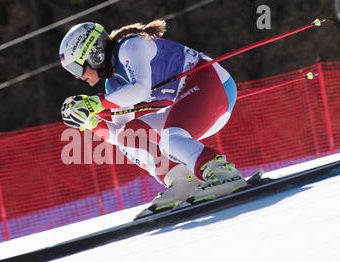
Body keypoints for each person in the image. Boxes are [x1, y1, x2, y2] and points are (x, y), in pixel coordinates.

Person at [59, 19, 247, 214]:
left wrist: (95, 103)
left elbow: (140, 89)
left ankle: (223, 173)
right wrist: (90, 121)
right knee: (130, 135)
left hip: (211, 83)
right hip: (191, 98)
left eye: (76, 68)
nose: (77, 76)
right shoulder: (113, 85)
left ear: (93, 54)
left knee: (169, 138)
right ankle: (182, 182)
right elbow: (119, 136)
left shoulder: (131, 46)